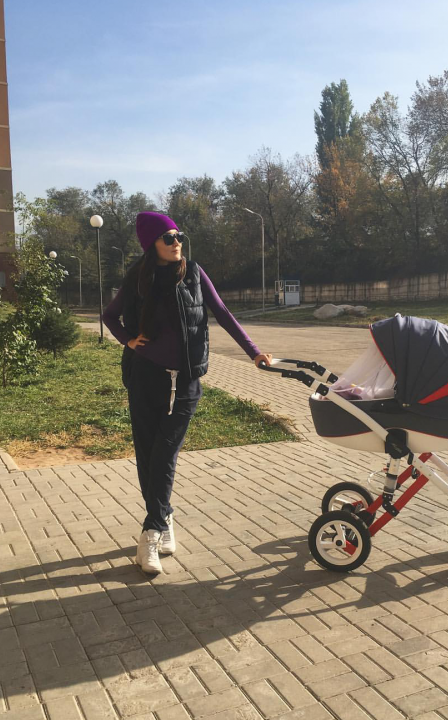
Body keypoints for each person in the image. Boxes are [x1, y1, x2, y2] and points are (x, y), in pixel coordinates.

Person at [103, 212, 272, 574]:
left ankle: (150, 532)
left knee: (165, 452)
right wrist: (128, 341)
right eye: (168, 237)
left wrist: (253, 351)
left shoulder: (192, 272)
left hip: (186, 381)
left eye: (178, 235)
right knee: (148, 454)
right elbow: (110, 316)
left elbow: (222, 312)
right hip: (146, 377)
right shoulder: (137, 277)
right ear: (152, 244)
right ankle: (164, 518)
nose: (176, 242)